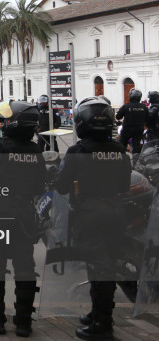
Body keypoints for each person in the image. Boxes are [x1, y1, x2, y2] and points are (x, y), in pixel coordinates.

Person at [51, 96, 130, 341]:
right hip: (116, 212)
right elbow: (124, 185)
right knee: (106, 264)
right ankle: (98, 313)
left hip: (90, 213)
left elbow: (62, 187)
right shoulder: (119, 150)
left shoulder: (78, 151)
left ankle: (103, 325)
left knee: (99, 268)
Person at [0, 101, 46, 337]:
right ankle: (24, 322)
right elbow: (40, 185)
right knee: (24, 266)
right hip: (23, 215)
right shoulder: (36, 152)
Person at [116, 89, 149, 154]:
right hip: (139, 129)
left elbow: (118, 116)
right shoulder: (144, 107)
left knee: (122, 144)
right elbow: (147, 118)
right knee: (136, 145)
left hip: (127, 129)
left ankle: (121, 159)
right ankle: (136, 161)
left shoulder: (126, 106)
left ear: (130, 96)